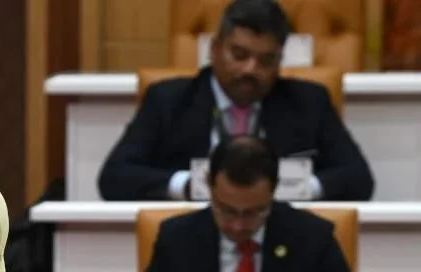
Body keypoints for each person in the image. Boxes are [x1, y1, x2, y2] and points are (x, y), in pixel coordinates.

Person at [98, 0, 373, 202]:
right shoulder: (169, 100)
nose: (250, 70)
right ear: (215, 50)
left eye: (266, 60)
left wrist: (299, 188)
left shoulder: (309, 101)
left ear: (280, 62)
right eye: (239, 55)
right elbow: (114, 178)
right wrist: (188, 186)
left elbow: (359, 179)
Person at [125, 136, 362, 272]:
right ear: (209, 184)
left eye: (253, 212)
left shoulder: (312, 236)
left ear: (274, 189)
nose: (238, 225)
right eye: (226, 210)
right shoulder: (177, 236)